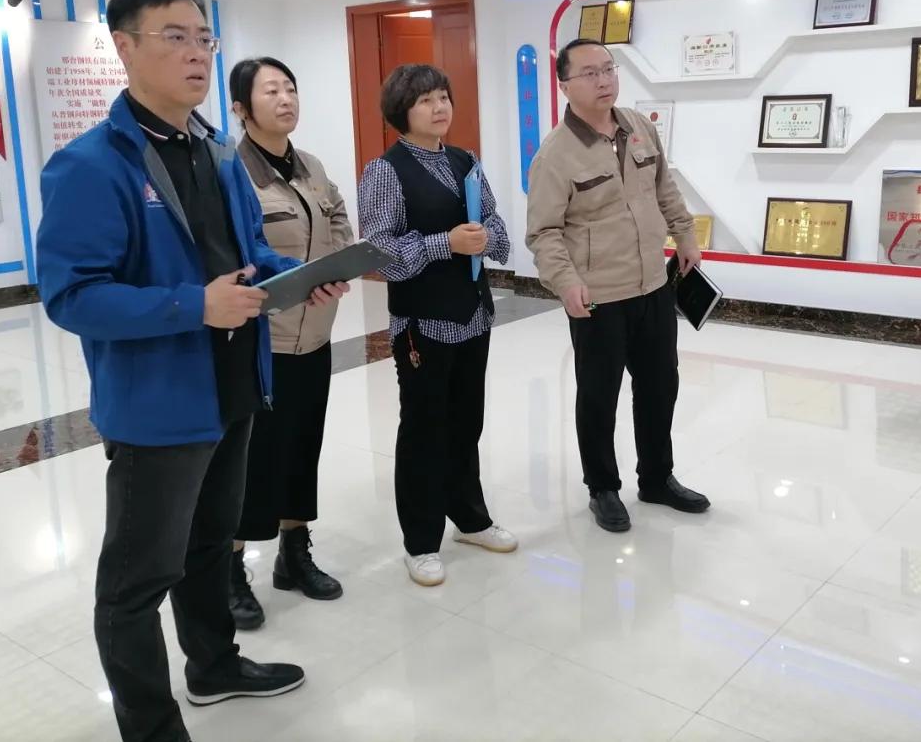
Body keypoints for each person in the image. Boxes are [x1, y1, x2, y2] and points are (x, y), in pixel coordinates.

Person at [37, 0, 344, 742]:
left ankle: (213, 664)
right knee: (136, 582)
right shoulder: (91, 165)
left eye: (203, 37)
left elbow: (248, 254)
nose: (196, 53)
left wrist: (296, 275)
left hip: (234, 385)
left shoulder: (216, 153)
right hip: (158, 406)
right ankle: (149, 725)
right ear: (125, 47)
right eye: (173, 36)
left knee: (211, 544)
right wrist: (191, 306)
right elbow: (72, 296)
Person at [526, 38, 711, 535]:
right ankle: (602, 488)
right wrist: (566, 282)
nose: (604, 80)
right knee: (598, 395)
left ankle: (657, 478)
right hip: (599, 296)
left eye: (608, 69)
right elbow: (543, 233)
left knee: (660, 386)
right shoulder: (554, 155)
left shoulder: (638, 126)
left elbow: (664, 187)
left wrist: (685, 235)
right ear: (564, 85)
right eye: (590, 73)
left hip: (653, 284)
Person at [359, 64, 517, 587]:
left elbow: (492, 219)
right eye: (426, 99)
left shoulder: (464, 160)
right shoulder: (385, 171)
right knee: (424, 429)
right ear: (401, 111)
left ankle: (470, 519)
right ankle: (421, 541)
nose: (439, 107)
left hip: (473, 313)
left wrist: (487, 237)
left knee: (467, 422)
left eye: (443, 96)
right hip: (422, 323)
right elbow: (381, 253)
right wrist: (443, 243)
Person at [225, 56, 353, 628]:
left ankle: (294, 554)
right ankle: (230, 569)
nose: (285, 99)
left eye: (290, 89)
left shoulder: (312, 167)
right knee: (252, 459)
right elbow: (233, 255)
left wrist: (336, 264)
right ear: (241, 108)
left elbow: (338, 221)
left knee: (303, 447)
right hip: (261, 343)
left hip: (314, 336)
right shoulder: (232, 173)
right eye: (270, 91)